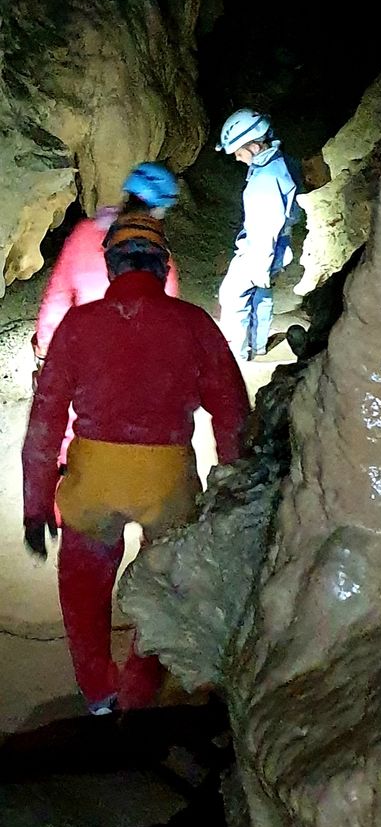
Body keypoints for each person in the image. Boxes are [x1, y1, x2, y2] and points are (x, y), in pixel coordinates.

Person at [21, 212, 249, 715]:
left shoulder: (80, 325)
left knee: (83, 587)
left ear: (111, 264)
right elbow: (232, 411)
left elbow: (45, 423)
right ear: (163, 265)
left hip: (92, 481)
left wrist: (36, 504)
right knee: (163, 586)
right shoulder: (194, 324)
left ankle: (99, 695)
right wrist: (233, 485)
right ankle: (141, 689)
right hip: (167, 481)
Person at [33, 162, 181, 365]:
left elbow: (58, 296)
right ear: (160, 210)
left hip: (85, 352)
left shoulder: (85, 233)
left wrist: (45, 347)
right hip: (131, 364)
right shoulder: (161, 257)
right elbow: (166, 321)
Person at [216, 109, 298, 361]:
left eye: (239, 153)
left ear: (253, 145)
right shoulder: (278, 164)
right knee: (261, 295)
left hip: (260, 251)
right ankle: (258, 345)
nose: (239, 159)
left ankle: (237, 357)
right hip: (279, 248)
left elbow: (266, 227)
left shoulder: (264, 182)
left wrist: (259, 266)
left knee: (232, 296)